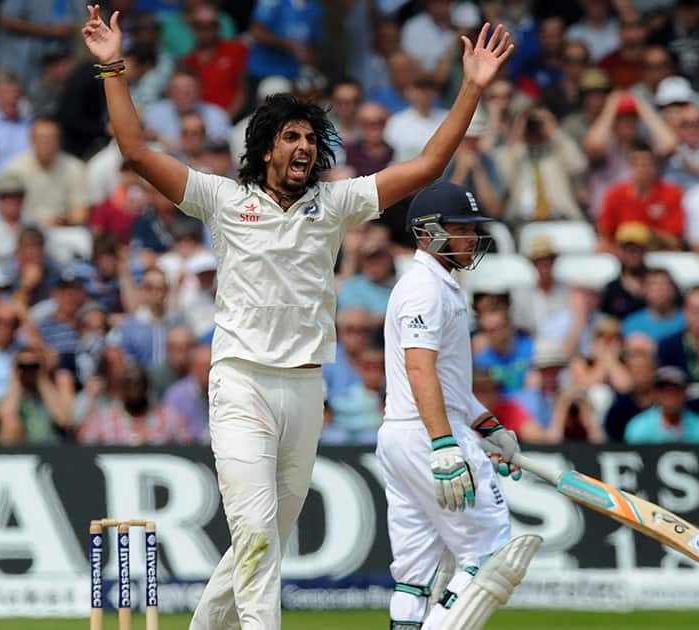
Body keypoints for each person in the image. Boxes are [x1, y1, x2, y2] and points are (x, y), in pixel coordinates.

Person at [82, 6, 514, 628]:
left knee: (261, 544)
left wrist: (471, 87)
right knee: (256, 533)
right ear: (263, 151)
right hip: (241, 383)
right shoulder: (222, 199)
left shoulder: (335, 205)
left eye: (311, 138)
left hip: (304, 387)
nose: (305, 146)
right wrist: (113, 67)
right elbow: (134, 149)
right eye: (290, 136)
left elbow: (425, 170)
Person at [380, 181, 539, 629]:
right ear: (429, 232)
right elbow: (419, 371)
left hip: (407, 434)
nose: (471, 238)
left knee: (417, 575)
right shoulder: (423, 289)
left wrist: (489, 426)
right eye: (461, 229)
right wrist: (445, 443)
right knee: (490, 554)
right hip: (425, 433)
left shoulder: (440, 286)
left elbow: (446, 382)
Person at [624, 366, 699, 444]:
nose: (670, 396)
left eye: (675, 390)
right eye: (664, 390)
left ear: (685, 393)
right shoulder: (639, 427)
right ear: (656, 394)